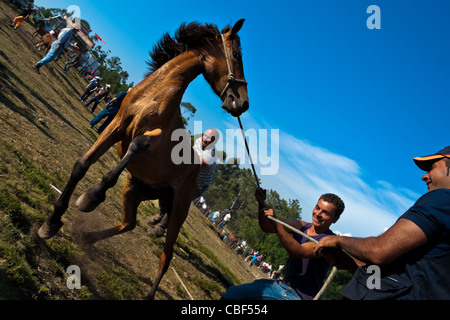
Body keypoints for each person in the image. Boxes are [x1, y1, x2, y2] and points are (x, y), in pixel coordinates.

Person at [314, 146, 450, 300]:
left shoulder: (442, 199)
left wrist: (337, 240)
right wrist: (350, 262)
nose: (424, 176)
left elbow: (378, 251)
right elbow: (414, 277)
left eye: (432, 168)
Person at [221, 188, 345, 300]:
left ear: (335, 219)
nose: (318, 214)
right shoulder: (301, 225)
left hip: (298, 296)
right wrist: (261, 205)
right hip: (281, 286)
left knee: (234, 296)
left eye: (326, 213)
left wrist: (276, 224)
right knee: (231, 295)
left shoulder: (329, 241)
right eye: (317, 208)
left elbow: (298, 251)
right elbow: (267, 227)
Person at [147, 128, 220, 237]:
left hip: (198, 185)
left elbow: (196, 164)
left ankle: (161, 228)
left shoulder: (210, 155)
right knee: (163, 187)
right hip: (187, 177)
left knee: (177, 201)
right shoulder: (199, 141)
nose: (205, 139)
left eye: (210, 138)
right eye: (205, 135)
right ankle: (162, 213)